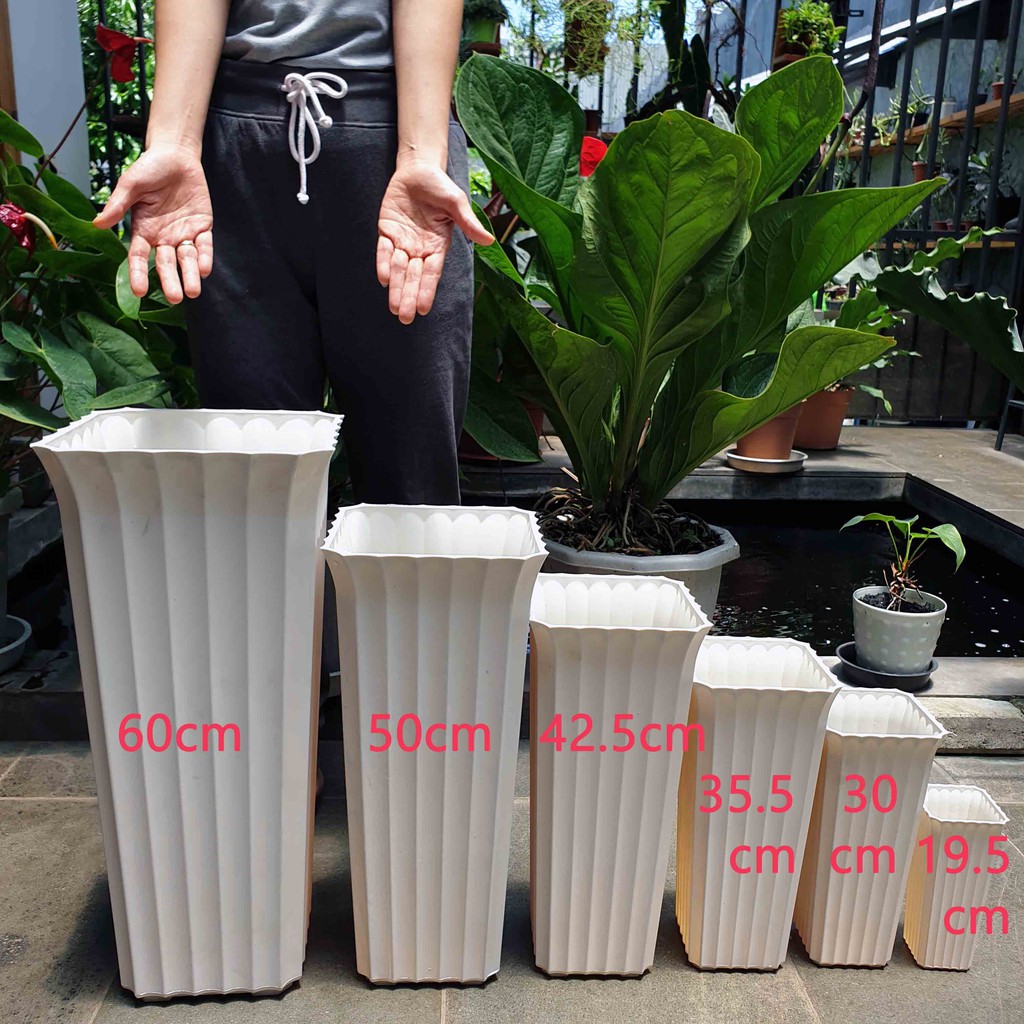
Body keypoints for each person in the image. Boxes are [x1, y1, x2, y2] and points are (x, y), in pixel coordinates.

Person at [94, 0, 493, 504]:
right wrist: (172, 141)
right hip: (233, 148)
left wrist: (421, 152)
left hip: (396, 142)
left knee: (411, 490)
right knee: (256, 482)